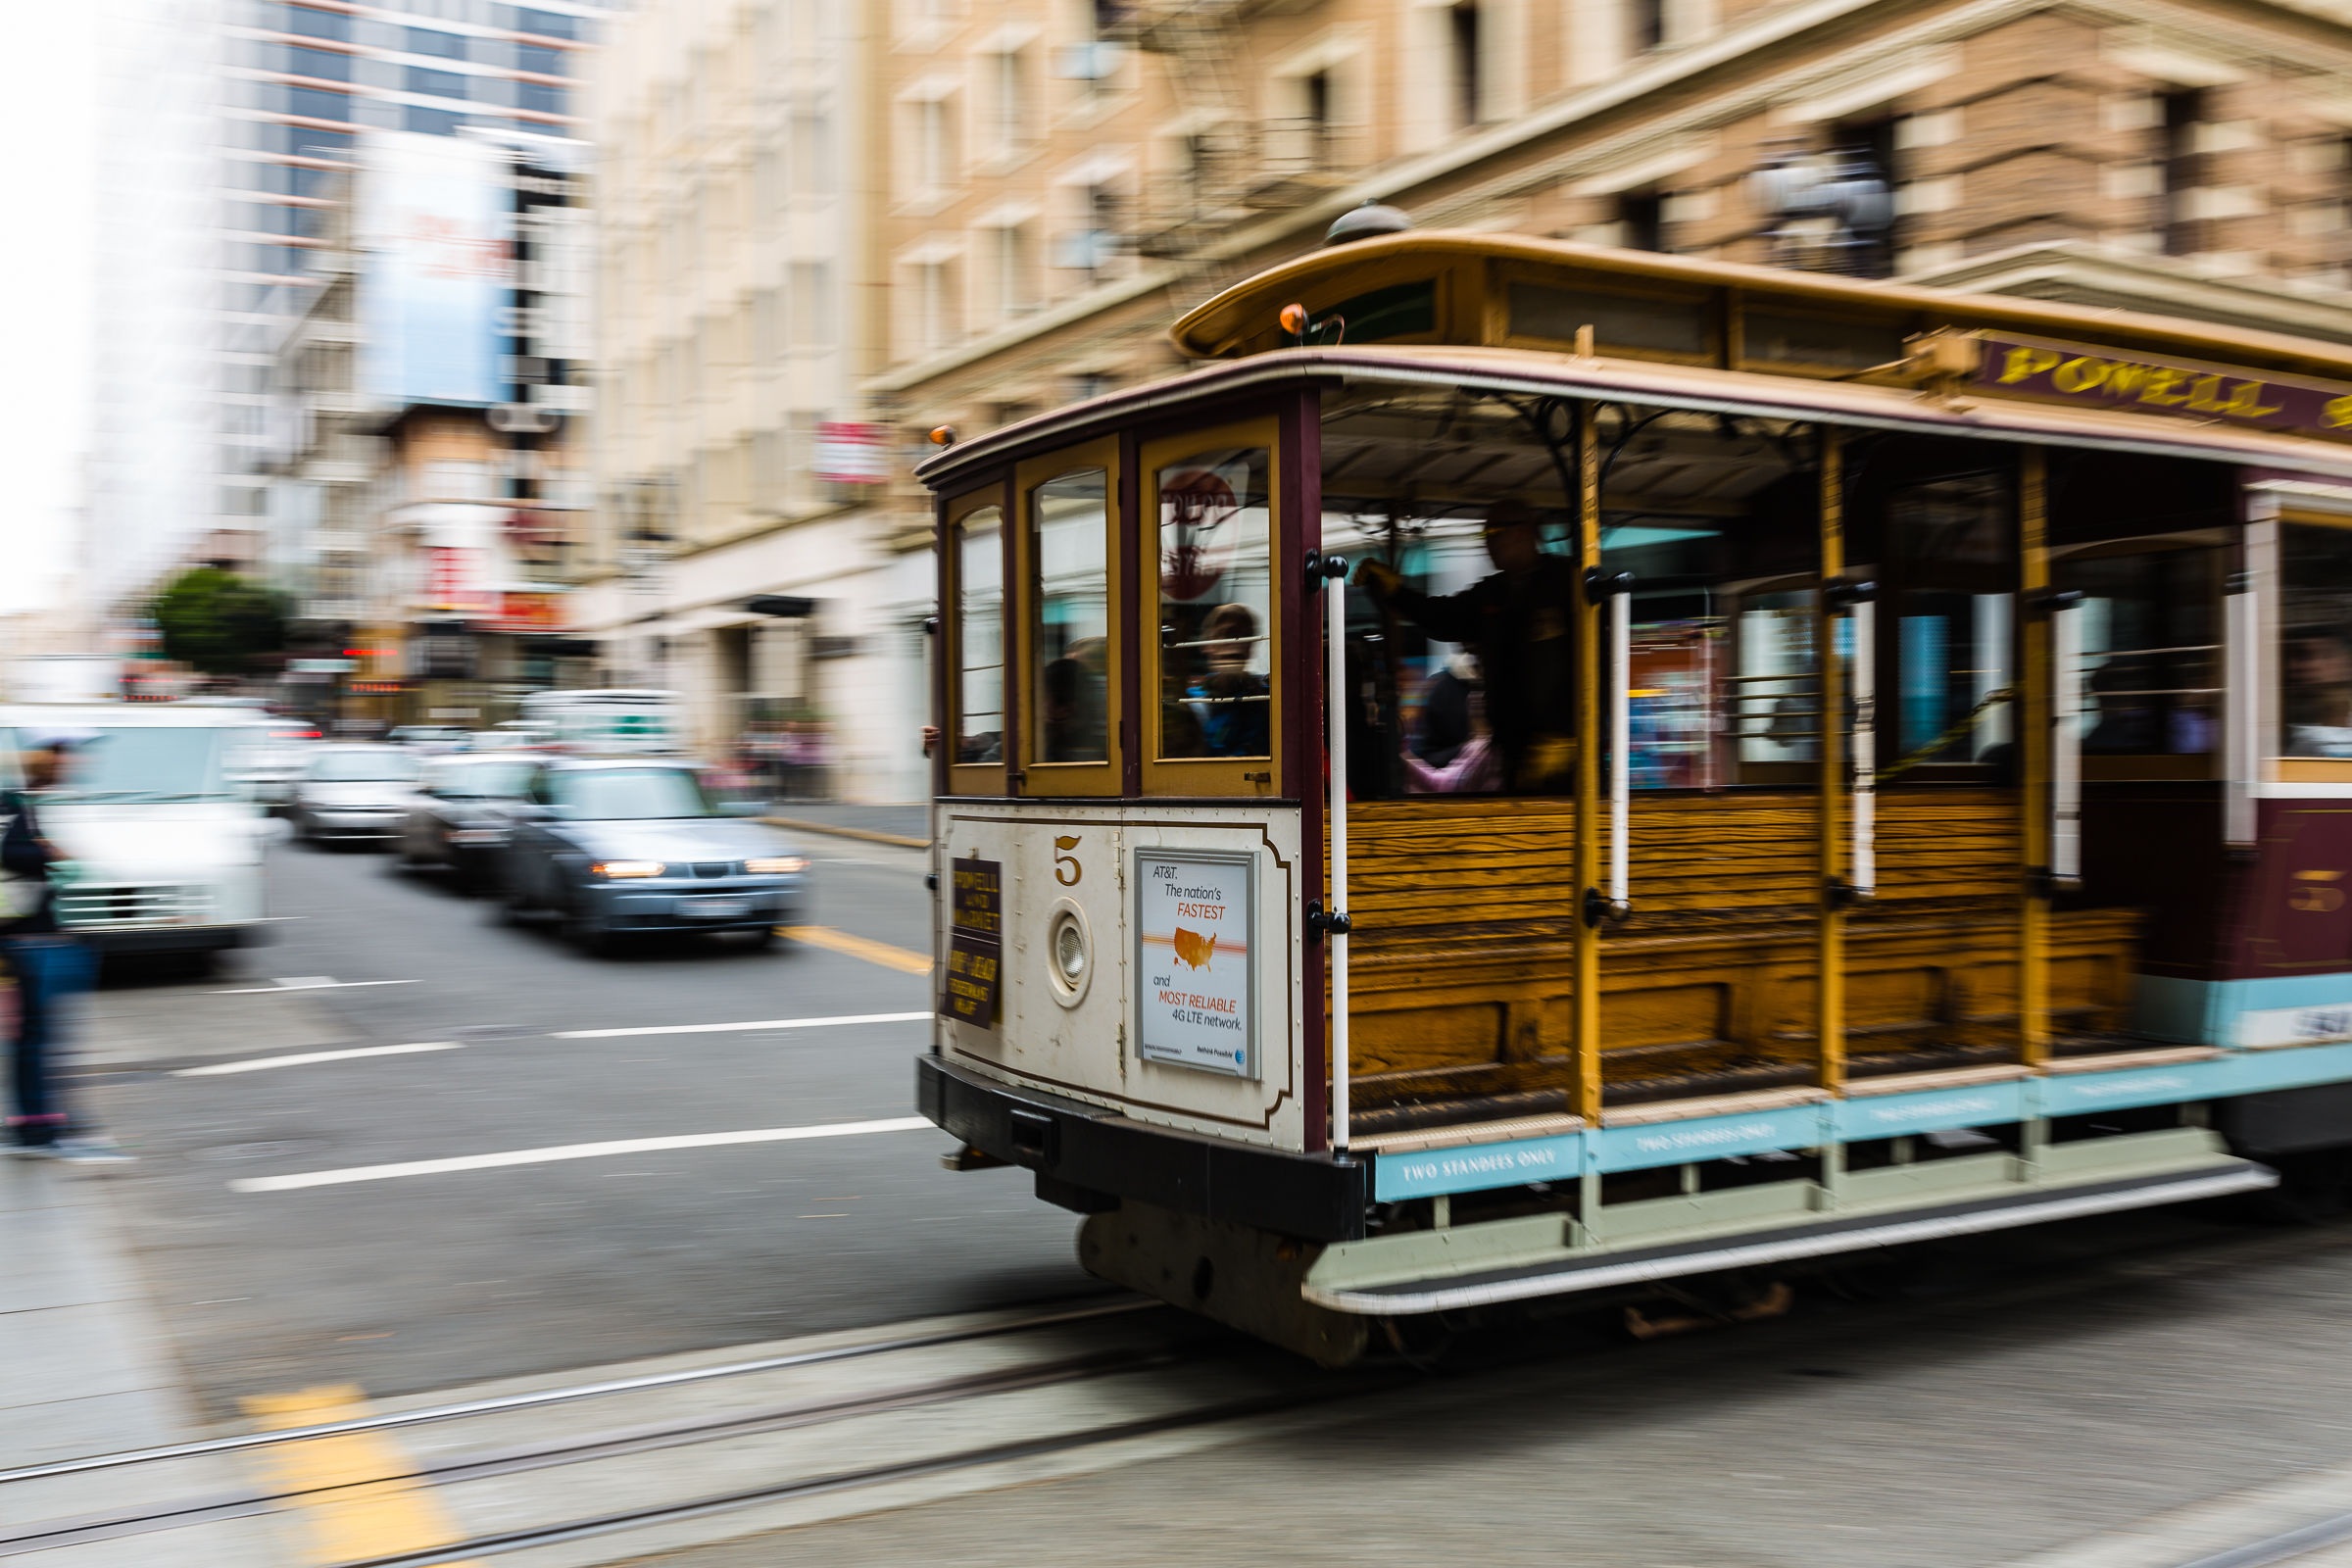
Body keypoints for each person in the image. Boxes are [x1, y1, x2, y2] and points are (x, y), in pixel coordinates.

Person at [1353, 501, 1581, 791]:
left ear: (1529, 531)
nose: (1490, 543)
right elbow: (1443, 618)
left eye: (1497, 532)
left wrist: (1571, 737)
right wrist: (1396, 592)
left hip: (1568, 759)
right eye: (1485, 535)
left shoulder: (1567, 584)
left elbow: (1597, 665)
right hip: (1513, 753)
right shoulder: (1493, 594)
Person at [1, 735, 129, 1163]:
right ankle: (41, 1128)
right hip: (28, 940)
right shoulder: (17, 807)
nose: (68, 772)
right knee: (38, 1039)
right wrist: (48, 851)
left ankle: (40, 1123)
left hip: (36, 937)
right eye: (62, 766)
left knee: (34, 1039)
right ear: (46, 769)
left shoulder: (26, 806)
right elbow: (14, 855)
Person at [1180, 603, 1271, 758]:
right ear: (1206, 646)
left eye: (1244, 636)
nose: (1235, 643)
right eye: (1224, 634)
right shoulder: (1190, 703)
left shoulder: (1266, 699)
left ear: (1250, 647)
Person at [2286, 627, 2352, 757]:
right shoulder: (2300, 732)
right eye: (2305, 657)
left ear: (2348, 662)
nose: (2313, 665)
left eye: (2327, 655)